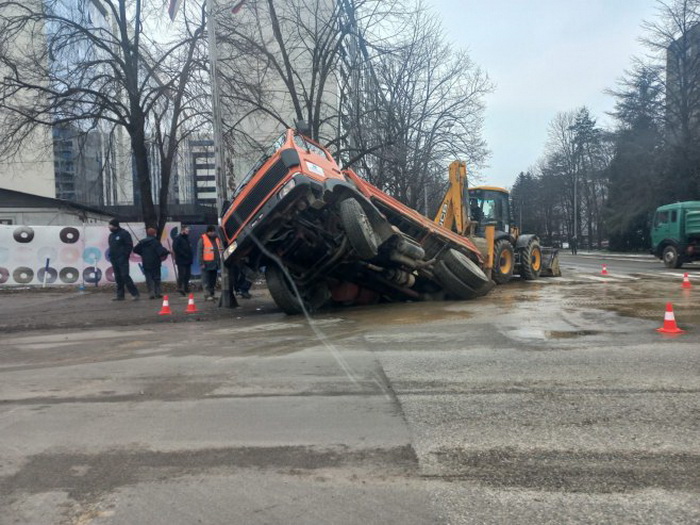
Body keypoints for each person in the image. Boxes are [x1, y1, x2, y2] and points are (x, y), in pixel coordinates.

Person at [108, 218, 140, 301]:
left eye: (110, 225)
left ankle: (135, 294)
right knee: (118, 277)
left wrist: (124, 255)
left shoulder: (124, 233)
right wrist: (111, 256)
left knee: (125, 276)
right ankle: (120, 295)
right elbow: (111, 247)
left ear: (115, 226)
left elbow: (129, 245)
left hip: (122, 259)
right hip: (114, 259)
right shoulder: (111, 235)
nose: (109, 227)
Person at [133, 227, 170, 299]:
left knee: (149, 278)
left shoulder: (142, 242)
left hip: (146, 263)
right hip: (155, 262)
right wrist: (168, 251)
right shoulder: (156, 242)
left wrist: (142, 253)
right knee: (156, 278)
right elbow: (161, 252)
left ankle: (151, 293)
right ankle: (158, 293)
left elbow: (135, 250)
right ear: (154, 234)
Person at [197, 225, 222, 301]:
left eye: (214, 231)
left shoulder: (217, 239)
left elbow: (219, 250)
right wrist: (201, 263)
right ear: (208, 232)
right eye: (212, 232)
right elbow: (199, 252)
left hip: (214, 263)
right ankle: (207, 295)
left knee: (212, 280)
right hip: (206, 263)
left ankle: (211, 294)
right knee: (206, 280)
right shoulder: (202, 239)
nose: (213, 233)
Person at [173, 225, 194, 296]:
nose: (188, 232)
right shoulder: (178, 238)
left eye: (188, 231)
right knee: (182, 274)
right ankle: (180, 288)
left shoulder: (186, 238)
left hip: (188, 260)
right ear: (182, 231)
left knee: (187, 275)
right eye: (186, 231)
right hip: (181, 260)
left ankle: (186, 288)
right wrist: (184, 254)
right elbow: (176, 248)